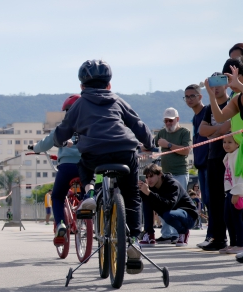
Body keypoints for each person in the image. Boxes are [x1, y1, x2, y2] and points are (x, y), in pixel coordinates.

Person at [53, 59, 154, 274]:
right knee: (132, 195)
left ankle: (89, 194)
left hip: (95, 154)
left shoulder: (79, 103)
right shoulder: (118, 100)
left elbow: (63, 130)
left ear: (82, 87)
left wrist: (59, 140)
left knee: (84, 165)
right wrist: (150, 144)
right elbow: (138, 124)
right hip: (125, 151)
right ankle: (134, 240)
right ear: (109, 85)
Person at [31, 94, 82, 241]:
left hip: (66, 167)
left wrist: (35, 148)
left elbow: (45, 144)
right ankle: (86, 212)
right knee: (89, 191)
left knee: (57, 196)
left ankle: (60, 224)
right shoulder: (89, 126)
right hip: (86, 166)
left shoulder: (63, 128)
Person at [199, 72, 231, 249]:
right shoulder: (209, 108)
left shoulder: (232, 103)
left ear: (226, 84)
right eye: (212, 84)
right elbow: (202, 131)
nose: (216, 87)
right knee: (214, 200)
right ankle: (218, 237)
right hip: (212, 156)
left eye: (219, 83)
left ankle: (236, 238)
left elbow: (229, 126)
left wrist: (214, 129)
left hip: (229, 156)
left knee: (232, 198)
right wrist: (218, 129)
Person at [150, 107, 191, 244]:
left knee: (178, 204)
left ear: (177, 119)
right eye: (166, 121)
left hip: (180, 172)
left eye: (170, 120)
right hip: (165, 175)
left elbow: (186, 151)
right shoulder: (161, 133)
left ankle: (179, 232)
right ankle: (167, 234)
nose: (168, 123)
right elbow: (150, 145)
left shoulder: (184, 132)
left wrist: (167, 144)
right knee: (163, 204)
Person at [139, 164, 197, 247]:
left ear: (159, 174)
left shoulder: (172, 184)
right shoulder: (151, 187)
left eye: (151, 176)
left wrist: (149, 193)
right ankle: (149, 235)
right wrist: (141, 191)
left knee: (167, 214)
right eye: (147, 177)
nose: (149, 179)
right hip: (173, 213)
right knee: (146, 199)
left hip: (189, 216)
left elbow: (169, 205)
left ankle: (183, 232)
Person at [184, 84, 210, 232]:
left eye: (192, 96)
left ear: (200, 96)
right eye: (186, 97)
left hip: (209, 161)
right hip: (200, 164)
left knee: (211, 200)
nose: (189, 99)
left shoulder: (207, 111)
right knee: (206, 200)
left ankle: (216, 234)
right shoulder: (195, 117)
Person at [222, 134, 243, 254]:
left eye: (230, 142)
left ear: (237, 143)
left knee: (237, 219)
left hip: (237, 192)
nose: (226, 145)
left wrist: (237, 192)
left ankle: (240, 244)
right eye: (224, 142)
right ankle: (233, 243)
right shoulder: (228, 156)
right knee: (228, 218)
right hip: (229, 192)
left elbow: (241, 174)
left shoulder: (239, 155)